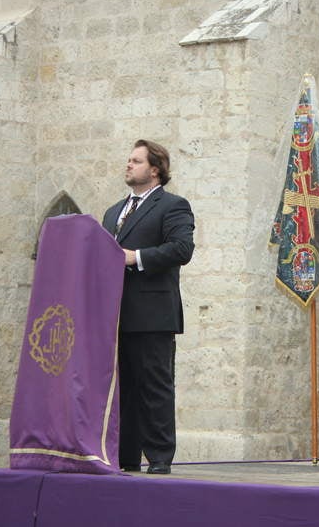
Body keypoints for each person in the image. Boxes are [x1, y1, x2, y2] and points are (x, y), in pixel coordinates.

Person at [102, 139, 195, 475]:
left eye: (136, 161)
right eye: (128, 160)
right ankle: (125, 456)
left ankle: (158, 457)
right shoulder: (113, 212)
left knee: (154, 386)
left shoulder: (173, 206)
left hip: (154, 314)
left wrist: (135, 257)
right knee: (123, 390)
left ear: (155, 169)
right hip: (116, 315)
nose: (128, 165)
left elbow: (182, 249)